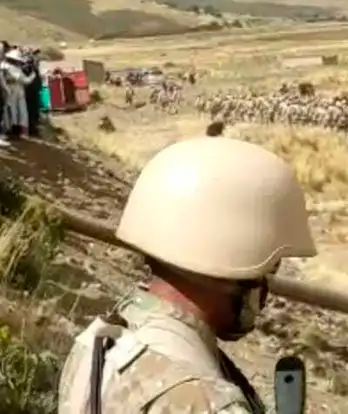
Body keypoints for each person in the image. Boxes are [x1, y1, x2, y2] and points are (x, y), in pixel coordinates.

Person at [58, 136, 316, 413]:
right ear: (227, 261)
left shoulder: (99, 344)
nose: (264, 292)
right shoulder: (207, 401)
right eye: (267, 270)